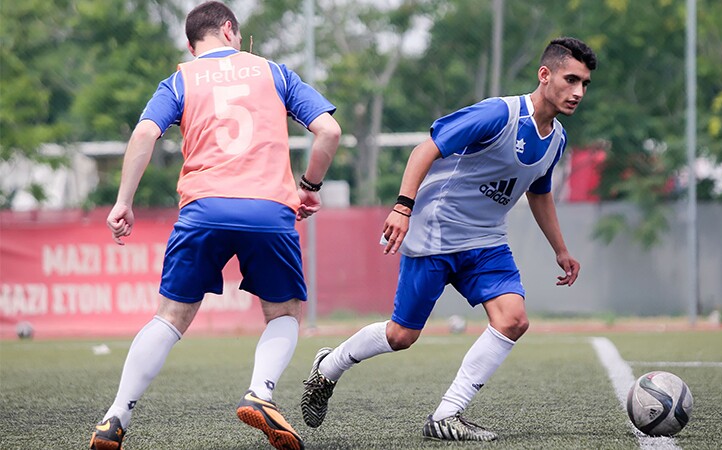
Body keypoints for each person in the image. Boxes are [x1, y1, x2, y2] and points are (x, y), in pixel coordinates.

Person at [300, 37, 595, 441]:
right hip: (436, 233)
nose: (578, 92)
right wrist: (403, 208)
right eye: (571, 79)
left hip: (487, 242)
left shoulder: (556, 139)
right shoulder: (498, 114)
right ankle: (328, 367)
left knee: (513, 320)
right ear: (545, 75)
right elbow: (425, 150)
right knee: (401, 336)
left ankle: (447, 414)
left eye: (585, 84)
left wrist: (560, 249)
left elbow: (538, 192)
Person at [89, 2, 340, 450]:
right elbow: (329, 131)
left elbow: (145, 133)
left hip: (204, 209)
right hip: (268, 209)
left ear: (190, 44)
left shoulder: (181, 78)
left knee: (170, 317)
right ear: (230, 30)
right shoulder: (274, 72)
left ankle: (115, 416)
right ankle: (261, 394)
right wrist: (309, 186)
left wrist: (123, 201)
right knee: (283, 313)